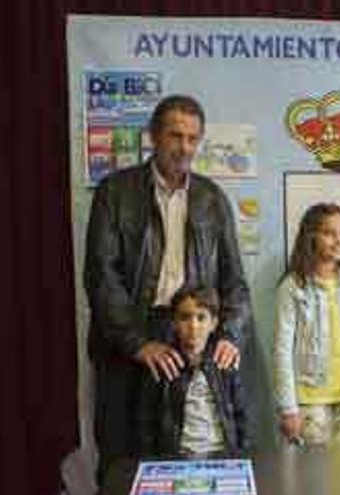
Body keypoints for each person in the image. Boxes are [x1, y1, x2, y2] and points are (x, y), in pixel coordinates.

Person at [84, 95, 252, 478]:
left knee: (188, 458)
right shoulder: (115, 192)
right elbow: (100, 276)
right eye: (175, 136)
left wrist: (229, 335)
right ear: (154, 137)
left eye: (193, 138)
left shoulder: (212, 198)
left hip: (191, 334)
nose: (185, 147)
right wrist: (137, 343)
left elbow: (235, 282)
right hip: (128, 341)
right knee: (122, 458)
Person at [272, 203, 340, 445]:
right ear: (311, 237)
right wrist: (288, 407)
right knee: (313, 476)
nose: (339, 241)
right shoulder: (293, 286)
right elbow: (282, 350)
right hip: (309, 399)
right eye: (329, 233)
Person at [139, 285, 253, 456]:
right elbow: (146, 423)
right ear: (175, 322)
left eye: (201, 318)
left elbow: (241, 416)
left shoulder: (223, 363)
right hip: (177, 459)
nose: (193, 326)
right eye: (185, 317)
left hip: (222, 455)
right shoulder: (164, 364)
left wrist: (243, 455)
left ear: (213, 323)